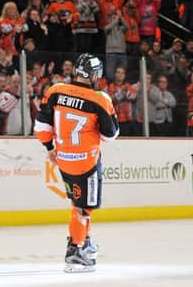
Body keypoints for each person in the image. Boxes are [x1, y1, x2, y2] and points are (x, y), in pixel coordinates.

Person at [34, 53, 119, 273]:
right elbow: (111, 135)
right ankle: (75, 251)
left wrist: (50, 148)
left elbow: (41, 127)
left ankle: (84, 240)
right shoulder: (100, 99)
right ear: (93, 75)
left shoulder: (55, 91)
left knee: (78, 202)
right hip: (87, 162)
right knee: (84, 207)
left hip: (63, 160)